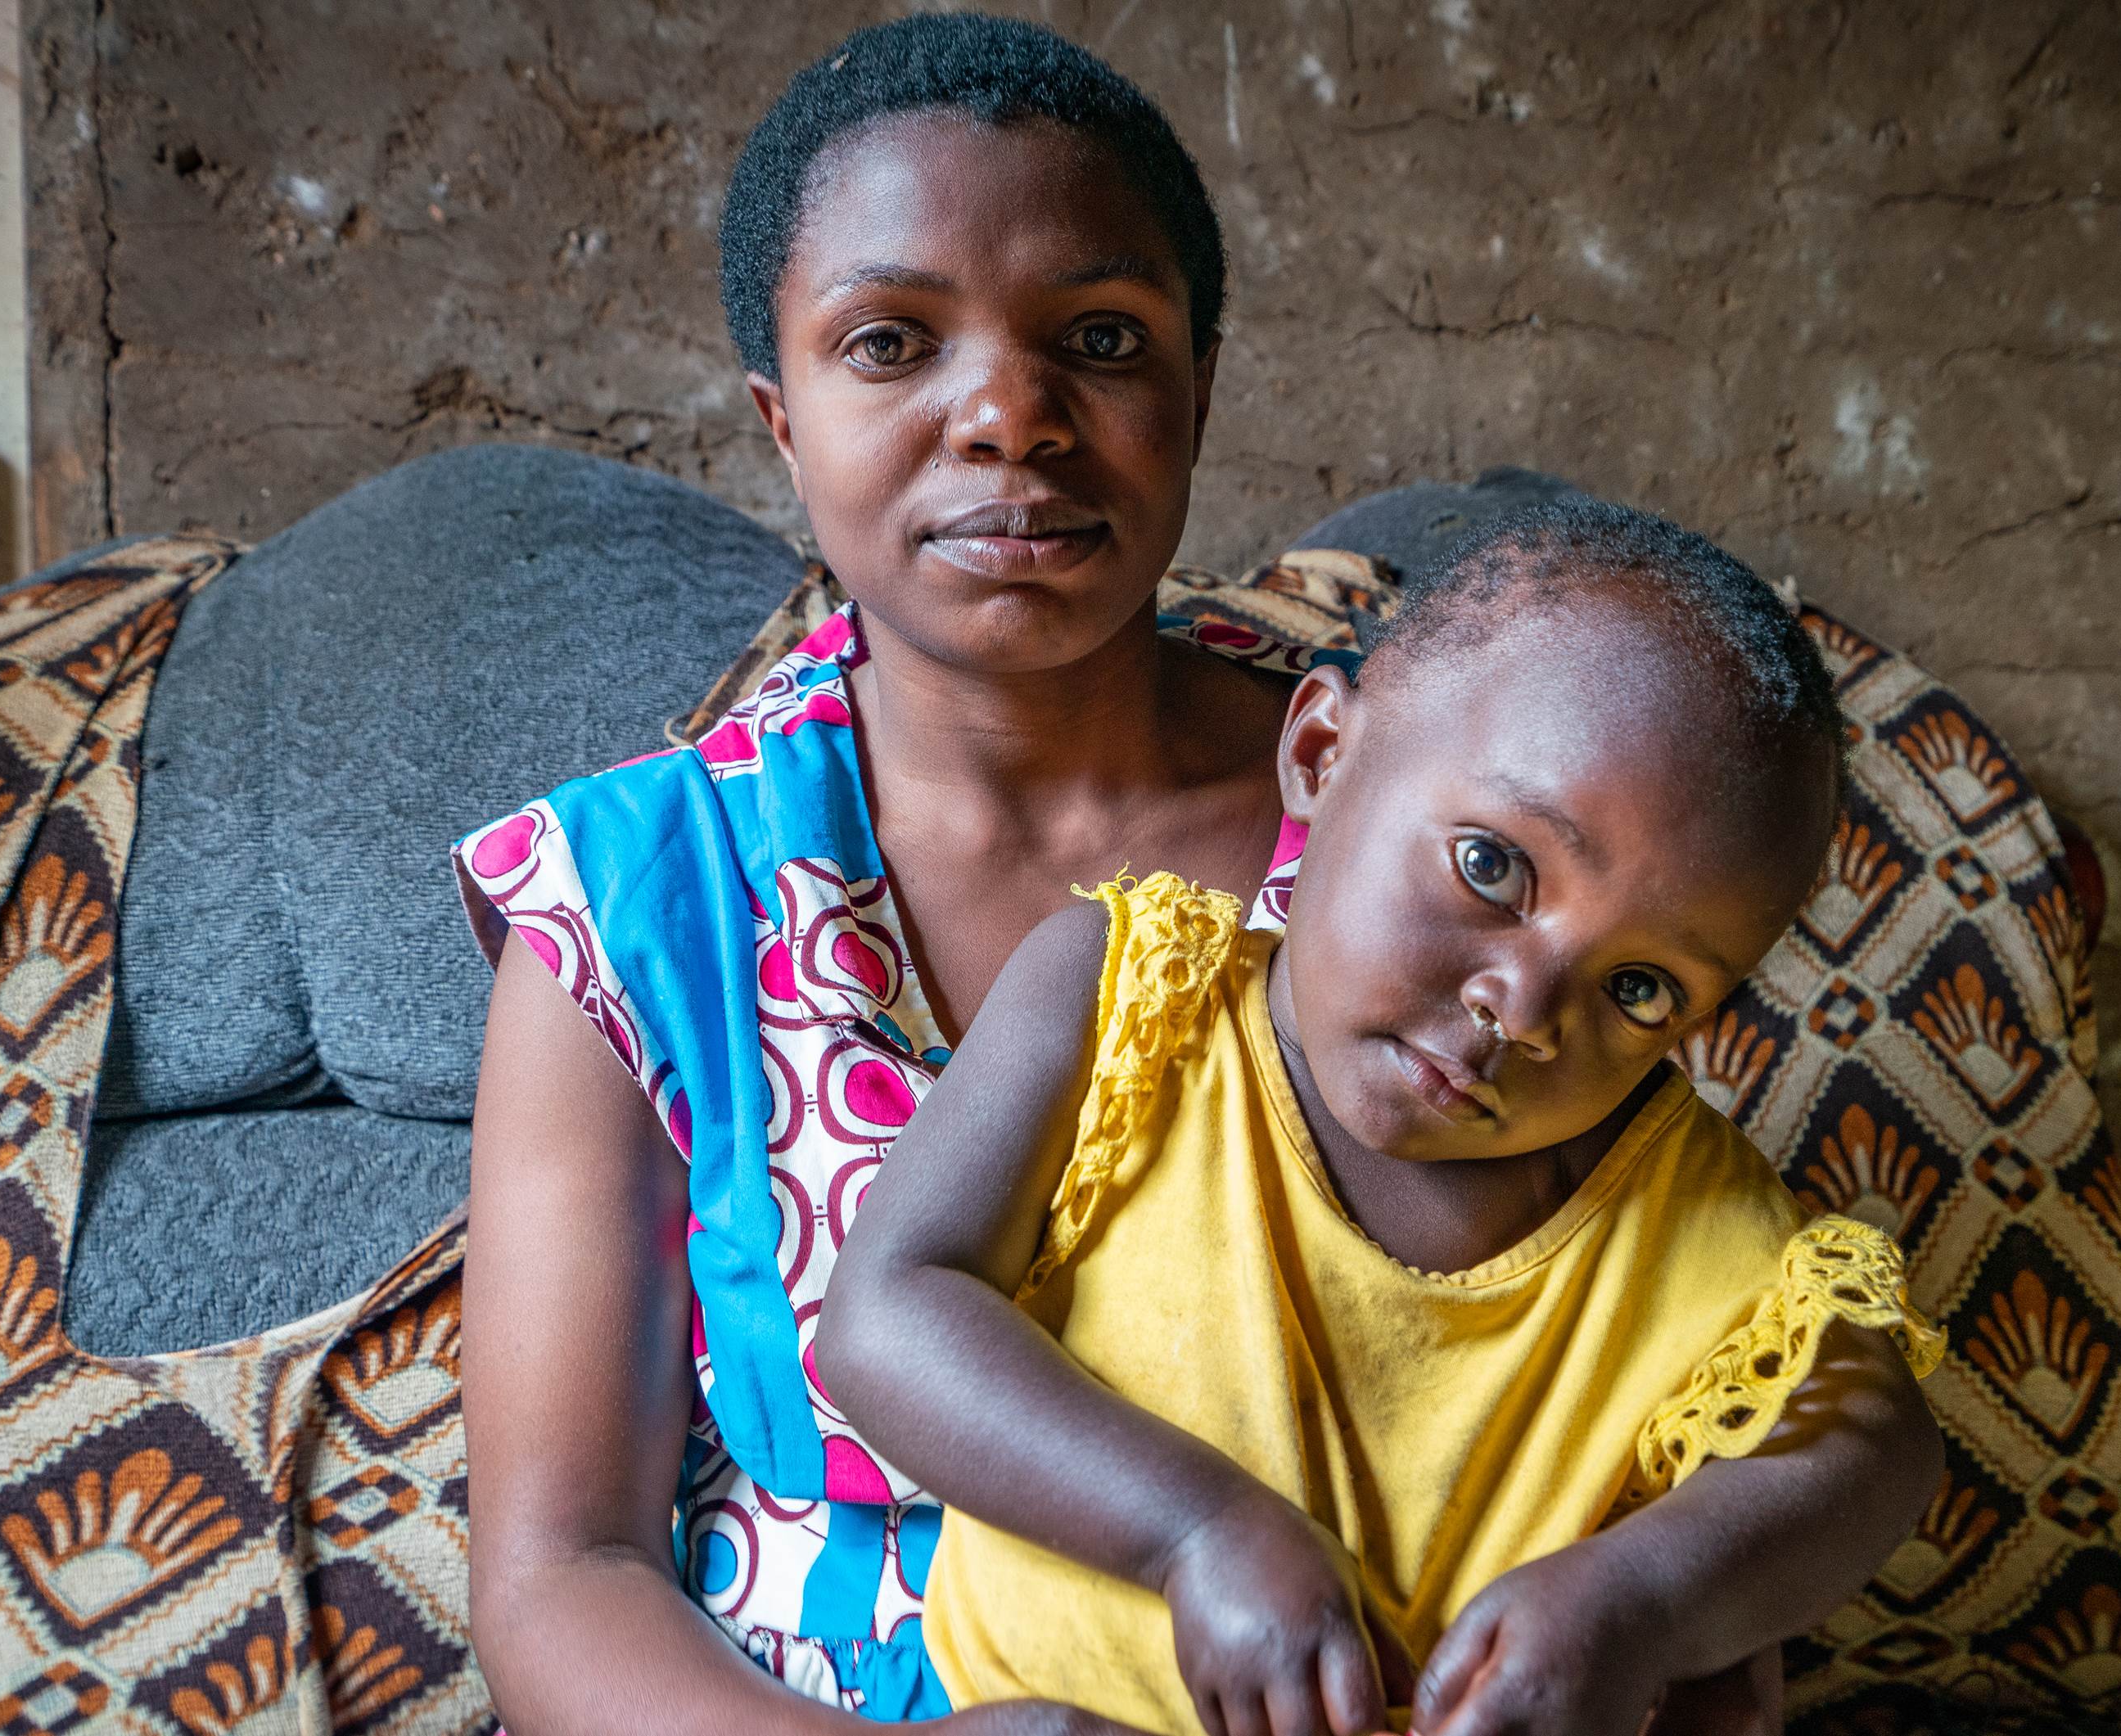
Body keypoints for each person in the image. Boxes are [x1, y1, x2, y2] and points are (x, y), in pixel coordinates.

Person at [457, 14, 1945, 1734]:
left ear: (1198, 389)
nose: (1011, 415)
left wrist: (1654, 1603)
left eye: (1100, 338)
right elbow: (561, 1571)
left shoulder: (1455, 806)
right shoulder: (644, 902)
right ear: (781, 418)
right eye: (889, 343)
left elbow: (1654, 1332)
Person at [819, 503, 1945, 1736]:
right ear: (1320, 752)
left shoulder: (1683, 1220)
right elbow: (886, 1314)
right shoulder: (1125, 1000)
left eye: (1641, 988)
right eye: (1492, 866)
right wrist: (1196, 1529)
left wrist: (1645, 1600)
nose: (1522, 1008)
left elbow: (1879, 1452)